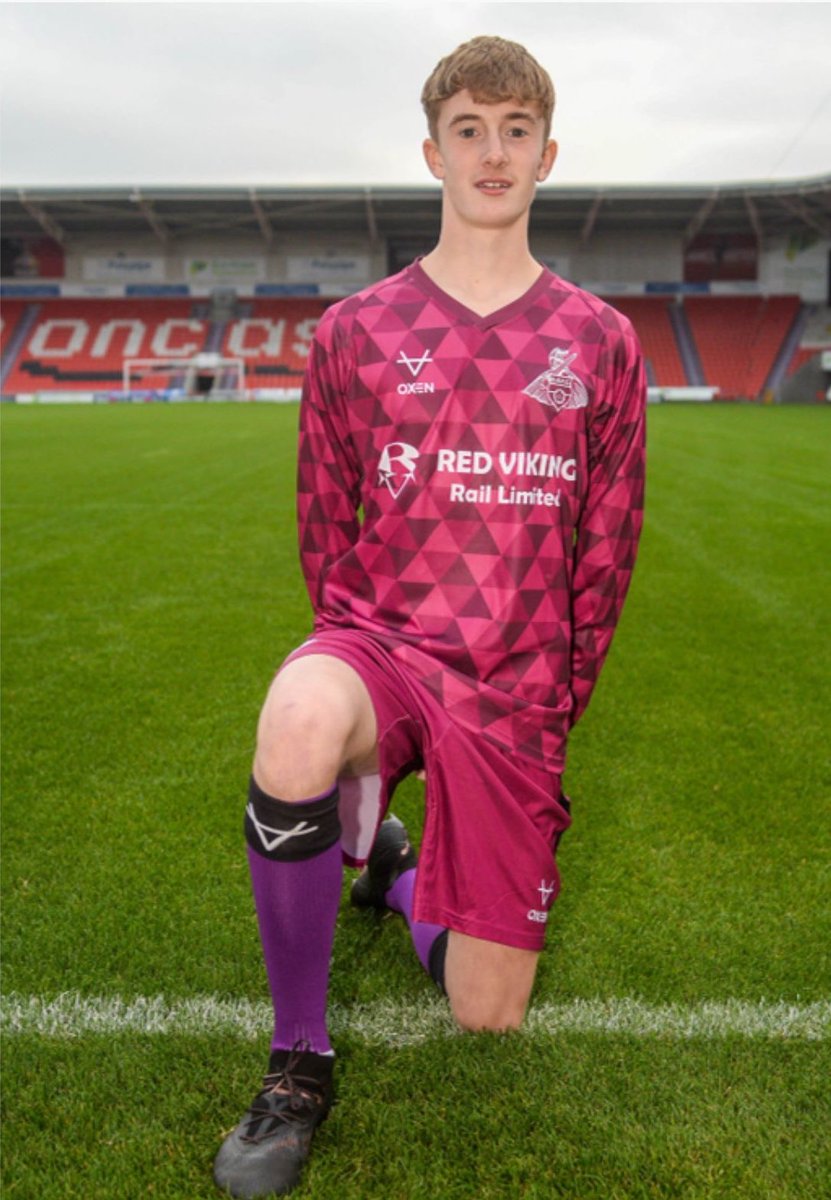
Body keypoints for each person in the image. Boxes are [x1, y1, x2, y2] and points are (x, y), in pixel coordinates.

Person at [214, 34, 646, 1199]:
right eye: (469, 129)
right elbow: (324, 521)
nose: (492, 151)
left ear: (547, 155)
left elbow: (607, 550)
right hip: (387, 648)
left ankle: (397, 872)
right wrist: (350, 675)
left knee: (486, 1011)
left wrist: (553, 709)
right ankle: (298, 1062)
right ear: (433, 152)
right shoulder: (355, 330)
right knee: (299, 716)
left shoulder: (602, 341)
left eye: (515, 131)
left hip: (516, 684)